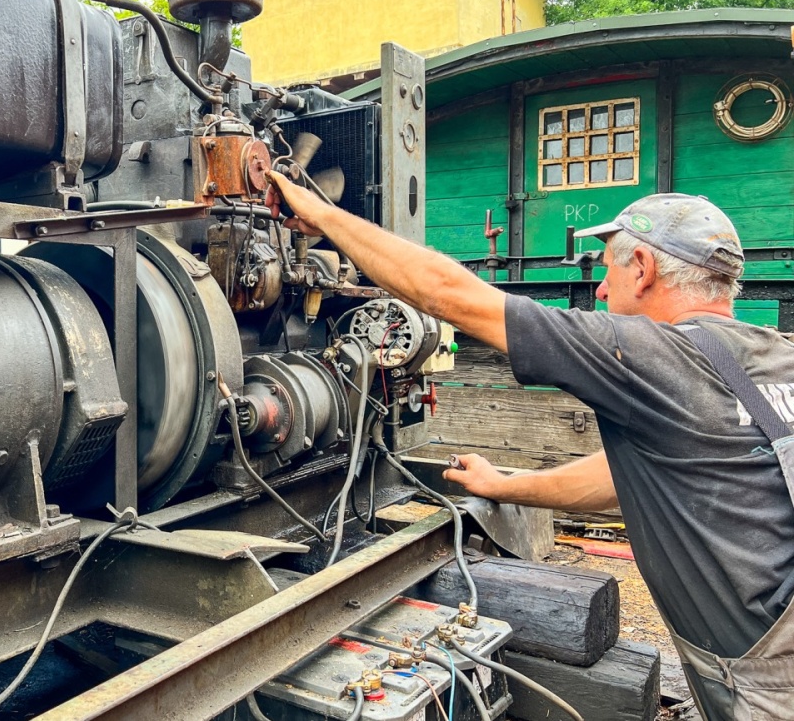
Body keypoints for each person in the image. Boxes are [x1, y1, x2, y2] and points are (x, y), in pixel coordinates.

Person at [266, 171, 794, 720]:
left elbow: (451, 296)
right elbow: (635, 475)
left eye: (609, 269)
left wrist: (323, 216)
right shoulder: (772, 355)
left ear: (644, 269)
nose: (601, 289)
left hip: (769, 684)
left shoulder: (651, 356)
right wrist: (505, 485)